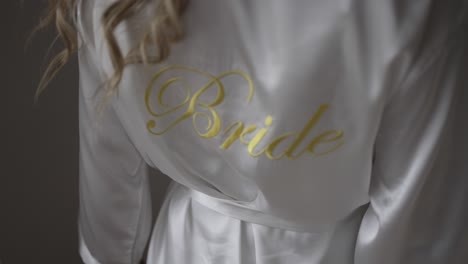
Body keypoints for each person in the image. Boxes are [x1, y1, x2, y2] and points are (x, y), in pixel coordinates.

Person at [35, 0, 468, 263]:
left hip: (187, 247)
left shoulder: (114, 7)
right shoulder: (409, 10)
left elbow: (108, 183)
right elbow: (415, 229)